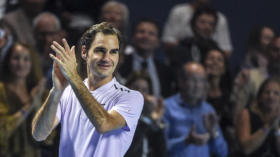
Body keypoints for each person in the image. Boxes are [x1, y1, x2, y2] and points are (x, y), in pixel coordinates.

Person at [32, 22, 144, 157]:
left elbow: (104, 124)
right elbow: (39, 134)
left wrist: (73, 77)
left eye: (113, 52)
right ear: (84, 52)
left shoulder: (131, 97)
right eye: (100, 50)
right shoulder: (68, 92)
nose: (107, 58)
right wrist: (56, 91)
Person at [163, 62, 228, 157]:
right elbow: (160, 148)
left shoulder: (208, 109)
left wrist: (214, 133)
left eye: (202, 81)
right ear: (181, 81)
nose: (198, 86)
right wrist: (186, 141)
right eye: (193, 80)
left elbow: (223, 152)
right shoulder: (167, 107)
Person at [0, 42, 46, 157]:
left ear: (32, 63)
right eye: (16, 58)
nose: (21, 64)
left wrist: (37, 105)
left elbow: (48, 137)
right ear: (7, 60)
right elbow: (2, 131)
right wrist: (29, 105)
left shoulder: (39, 92)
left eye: (26, 59)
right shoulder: (2, 91)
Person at [119, 18, 175, 98]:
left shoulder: (166, 71)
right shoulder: (120, 64)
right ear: (133, 38)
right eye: (141, 32)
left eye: (151, 33)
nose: (146, 36)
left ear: (158, 42)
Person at [162, 0, 232, 57]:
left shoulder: (221, 19)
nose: (207, 27)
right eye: (202, 22)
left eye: (211, 24)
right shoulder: (178, 12)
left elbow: (226, 50)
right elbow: (168, 42)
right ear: (193, 25)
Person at [125, 71, 166, 157]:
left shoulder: (148, 120)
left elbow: (161, 152)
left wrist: (157, 122)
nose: (140, 94)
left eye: (144, 90)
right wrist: (150, 119)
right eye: (135, 88)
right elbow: (131, 151)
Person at [236, 77, 280, 156]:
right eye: (267, 92)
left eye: (276, 93)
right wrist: (268, 126)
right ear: (260, 97)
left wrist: (277, 129)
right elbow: (246, 149)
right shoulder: (246, 114)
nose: (271, 96)